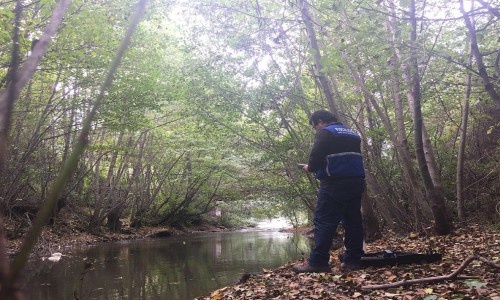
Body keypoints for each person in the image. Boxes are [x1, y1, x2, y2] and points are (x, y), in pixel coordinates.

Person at [292, 110, 366, 273]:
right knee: (353, 221)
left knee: (324, 221)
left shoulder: (325, 132)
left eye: (314, 126)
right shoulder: (353, 133)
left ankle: (318, 263)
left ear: (319, 121)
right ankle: (354, 260)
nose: (316, 130)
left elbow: (315, 160)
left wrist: (308, 168)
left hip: (334, 183)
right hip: (356, 181)